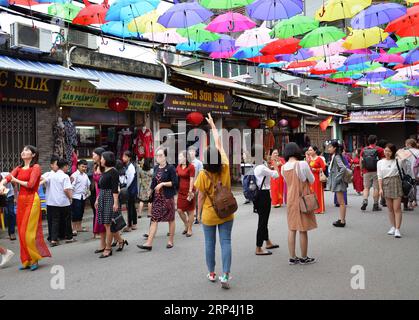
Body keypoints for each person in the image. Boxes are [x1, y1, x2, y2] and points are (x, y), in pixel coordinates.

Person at [194, 113, 234, 289]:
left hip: (210, 214)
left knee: (209, 243)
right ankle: (225, 275)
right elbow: (218, 143)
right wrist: (213, 127)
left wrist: (198, 213)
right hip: (226, 211)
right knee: (226, 242)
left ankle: (212, 273)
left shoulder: (203, 174)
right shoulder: (224, 166)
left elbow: (200, 196)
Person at [0, 145, 51, 271]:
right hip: (21, 201)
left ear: (33, 155)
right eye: (23, 150)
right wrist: (1, 184)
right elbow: (7, 178)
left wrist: (15, 179)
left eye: (27, 150)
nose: (23, 152)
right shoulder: (18, 168)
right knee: (21, 232)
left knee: (29, 233)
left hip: (32, 200)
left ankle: (35, 258)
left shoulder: (36, 167)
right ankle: (26, 260)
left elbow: (31, 184)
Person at [281, 142, 317, 265]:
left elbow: (287, 182)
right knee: (303, 229)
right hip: (301, 199)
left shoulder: (283, 167)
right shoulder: (301, 164)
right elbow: (312, 180)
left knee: (291, 228)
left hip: (290, 199)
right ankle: (304, 257)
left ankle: (292, 257)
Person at [137, 148, 178, 251]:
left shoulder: (171, 168)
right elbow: (154, 182)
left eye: (160, 155)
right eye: (157, 155)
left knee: (171, 219)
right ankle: (149, 243)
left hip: (167, 198)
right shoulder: (155, 168)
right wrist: (150, 191)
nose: (158, 158)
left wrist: (163, 184)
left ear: (165, 157)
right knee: (154, 219)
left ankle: (170, 240)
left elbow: (175, 183)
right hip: (157, 199)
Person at [95, 151, 128, 258]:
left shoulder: (113, 171)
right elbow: (102, 188)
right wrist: (97, 199)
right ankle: (121, 241)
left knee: (108, 224)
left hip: (110, 198)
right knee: (107, 224)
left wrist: (115, 203)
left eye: (103, 158)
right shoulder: (105, 171)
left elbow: (114, 189)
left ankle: (108, 248)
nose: (101, 160)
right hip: (103, 197)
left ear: (108, 159)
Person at [253, 146, 280, 256]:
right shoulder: (261, 168)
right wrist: (275, 164)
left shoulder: (257, 166)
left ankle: (268, 242)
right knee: (263, 222)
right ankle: (258, 247)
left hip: (259, 195)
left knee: (264, 220)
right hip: (263, 195)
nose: (266, 154)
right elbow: (276, 175)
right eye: (264, 152)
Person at [42, 159, 74, 247]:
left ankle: (53, 239)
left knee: (54, 221)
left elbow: (43, 181)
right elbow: (66, 189)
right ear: (65, 166)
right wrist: (70, 197)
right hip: (63, 202)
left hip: (52, 202)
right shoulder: (65, 176)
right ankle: (69, 237)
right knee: (67, 219)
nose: (68, 168)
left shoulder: (51, 176)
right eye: (67, 166)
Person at [377, 143, 404, 238]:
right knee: (390, 209)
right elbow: (379, 177)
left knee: (397, 208)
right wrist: (380, 188)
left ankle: (397, 229)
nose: (387, 152)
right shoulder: (380, 162)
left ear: (393, 152)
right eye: (385, 150)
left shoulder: (398, 161)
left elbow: (404, 158)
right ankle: (392, 226)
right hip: (385, 184)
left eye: (389, 151)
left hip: (396, 183)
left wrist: (398, 153)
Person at [360, 135, 385, 212]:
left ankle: (365, 200)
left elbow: (361, 161)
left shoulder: (363, 150)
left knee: (366, 188)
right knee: (376, 188)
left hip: (366, 171)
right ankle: (375, 205)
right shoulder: (380, 149)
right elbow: (383, 160)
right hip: (377, 171)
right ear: (376, 141)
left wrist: (361, 170)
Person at [327, 140, 348, 228]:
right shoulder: (335, 156)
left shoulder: (336, 156)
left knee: (341, 202)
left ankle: (342, 221)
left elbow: (343, 168)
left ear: (334, 148)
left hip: (339, 182)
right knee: (341, 202)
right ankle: (341, 219)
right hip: (339, 182)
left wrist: (337, 178)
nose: (328, 149)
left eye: (330, 147)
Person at [176, 150, 196, 237]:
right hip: (181, 191)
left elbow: (192, 179)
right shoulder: (178, 167)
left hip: (189, 190)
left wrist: (190, 191)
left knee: (190, 210)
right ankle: (186, 224)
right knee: (179, 210)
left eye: (180, 156)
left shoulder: (191, 167)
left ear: (185, 158)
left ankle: (190, 229)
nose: (179, 158)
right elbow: (176, 177)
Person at [41, 155, 60, 242]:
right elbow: (42, 178)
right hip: (50, 200)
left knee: (56, 219)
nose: (58, 166)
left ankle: (54, 236)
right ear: (51, 165)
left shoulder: (61, 174)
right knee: (52, 220)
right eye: (56, 164)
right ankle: (53, 237)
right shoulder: (48, 174)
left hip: (59, 200)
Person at [397, 138, 419, 211]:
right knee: (414, 186)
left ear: (408, 144)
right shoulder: (418, 152)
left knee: (406, 187)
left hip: (405, 173)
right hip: (415, 172)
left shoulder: (403, 152)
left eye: (406, 143)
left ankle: (407, 203)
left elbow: (399, 162)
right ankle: (414, 201)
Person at [70, 159, 90, 236]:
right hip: (75, 197)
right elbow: (71, 187)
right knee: (75, 213)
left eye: (85, 167)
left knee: (81, 212)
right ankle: (74, 228)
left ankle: (79, 227)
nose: (84, 168)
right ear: (78, 166)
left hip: (83, 196)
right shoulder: (74, 175)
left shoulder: (85, 175)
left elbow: (88, 185)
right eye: (82, 167)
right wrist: (70, 198)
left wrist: (87, 192)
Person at [122, 151, 139, 231]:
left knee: (130, 207)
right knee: (131, 206)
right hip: (131, 189)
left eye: (125, 156)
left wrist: (125, 186)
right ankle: (134, 223)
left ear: (129, 158)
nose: (123, 158)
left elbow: (130, 180)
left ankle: (130, 225)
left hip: (131, 189)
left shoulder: (130, 166)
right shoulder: (127, 166)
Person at [92, 147, 106, 241]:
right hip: (96, 192)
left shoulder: (104, 167)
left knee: (104, 217)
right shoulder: (95, 166)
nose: (92, 156)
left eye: (94, 154)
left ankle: (116, 239)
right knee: (99, 215)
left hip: (103, 192)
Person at [306, 146, 326, 214]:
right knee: (312, 193)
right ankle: (313, 208)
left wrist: (316, 170)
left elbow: (323, 168)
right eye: (308, 150)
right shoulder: (309, 159)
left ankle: (320, 209)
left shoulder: (319, 159)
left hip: (317, 178)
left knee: (318, 193)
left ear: (315, 151)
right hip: (310, 178)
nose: (309, 152)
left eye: (311, 150)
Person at [188, 146, 203, 223]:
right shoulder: (187, 163)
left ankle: (198, 217)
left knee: (197, 202)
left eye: (192, 151)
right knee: (189, 202)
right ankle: (190, 218)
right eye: (190, 151)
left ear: (195, 153)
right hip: (188, 186)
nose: (191, 153)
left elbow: (201, 175)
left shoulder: (199, 163)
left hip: (196, 185)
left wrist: (198, 186)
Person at [1, 171, 17, 240]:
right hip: (1, 197)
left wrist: (15, 197)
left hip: (10, 195)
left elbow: (15, 185)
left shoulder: (7, 175)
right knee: (6, 214)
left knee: (11, 213)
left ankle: (12, 233)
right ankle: (9, 233)